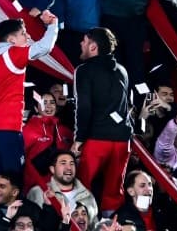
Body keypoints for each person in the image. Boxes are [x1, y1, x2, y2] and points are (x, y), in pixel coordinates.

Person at [0, 11, 59, 193]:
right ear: (11, 40)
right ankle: (11, 219)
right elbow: (44, 48)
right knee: (12, 183)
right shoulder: (13, 54)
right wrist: (53, 25)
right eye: (23, 34)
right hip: (7, 130)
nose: (27, 37)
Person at [71, 27, 131, 214]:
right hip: (122, 140)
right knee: (114, 190)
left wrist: (79, 137)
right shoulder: (122, 70)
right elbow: (127, 106)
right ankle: (110, 222)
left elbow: (84, 106)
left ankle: (81, 222)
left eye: (84, 41)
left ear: (93, 47)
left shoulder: (84, 70)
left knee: (82, 185)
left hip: (97, 139)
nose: (81, 44)